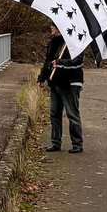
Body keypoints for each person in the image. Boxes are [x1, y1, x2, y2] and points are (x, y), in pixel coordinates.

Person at [36, 23, 84, 153]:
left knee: (72, 114)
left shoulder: (74, 42)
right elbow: (48, 62)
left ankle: (77, 144)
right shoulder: (53, 42)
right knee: (54, 114)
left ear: (60, 27)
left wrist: (60, 63)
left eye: (53, 25)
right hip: (55, 83)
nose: (51, 28)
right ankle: (55, 142)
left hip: (70, 83)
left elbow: (78, 62)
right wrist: (41, 77)